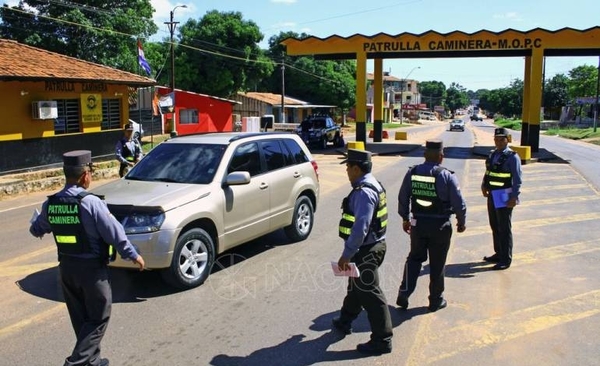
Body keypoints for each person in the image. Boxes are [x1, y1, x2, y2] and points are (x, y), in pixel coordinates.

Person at [29, 150, 145, 366]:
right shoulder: (91, 203)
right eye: (90, 171)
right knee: (98, 317)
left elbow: (37, 230)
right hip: (91, 272)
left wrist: (35, 224)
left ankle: (93, 362)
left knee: (82, 319)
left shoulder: (51, 203)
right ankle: (76, 363)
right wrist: (133, 254)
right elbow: (114, 232)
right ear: (85, 175)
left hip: (66, 270)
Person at [332, 149, 393, 355]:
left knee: (370, 294)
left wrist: (346, 254)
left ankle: (382, 340)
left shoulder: (364, 192)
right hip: (372, 245)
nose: (347, 171)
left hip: (366, 249)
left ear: (357, 169)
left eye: (348, 167)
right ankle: (345, 319)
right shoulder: (373, 183)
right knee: (355, 285)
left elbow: (361, 228)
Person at [396, 140, 467, 312]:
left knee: (414, 259)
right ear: (441, 157)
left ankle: (404, 294)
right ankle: (435, 301)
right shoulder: (447, 176)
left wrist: (405, 218)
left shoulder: (412, 173)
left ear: (424, 155)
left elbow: (403, 197)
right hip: (440, 226)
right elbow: (459, 203)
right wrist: (461, 221)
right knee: (437, 264)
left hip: (418, 224)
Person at [481, 127, 522, 270]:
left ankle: (505, 259)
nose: (498, 142)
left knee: (504, 227)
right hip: (492, 193)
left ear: (507, 140)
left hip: (505, 194)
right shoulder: (492, 154)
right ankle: (498, 253)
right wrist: (484, 185)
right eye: (496, 139)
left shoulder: (512, 156)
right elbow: (489, 171)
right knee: (494, 225)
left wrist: (514, 197)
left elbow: (517, 179)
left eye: (501, 139)